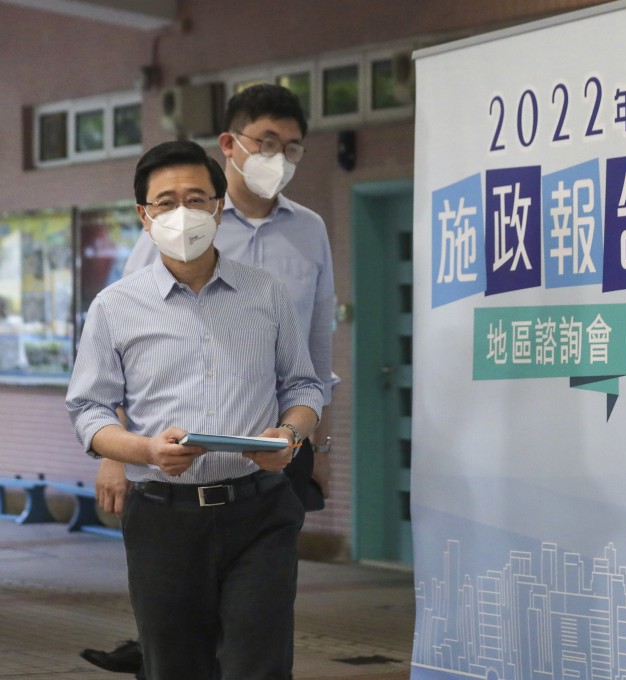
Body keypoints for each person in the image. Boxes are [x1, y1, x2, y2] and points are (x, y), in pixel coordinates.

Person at [82, 83, 338, 677]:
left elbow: (310, 370)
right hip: (164, 508)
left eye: (196, 200)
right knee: (177, 664)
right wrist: (130, 452)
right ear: (145, 216)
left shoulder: (275, 278)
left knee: (257, 661)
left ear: (216, 206)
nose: (183, 215)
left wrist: (304, 439)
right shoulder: (119, 303)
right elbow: (94, 402)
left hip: (262, 495)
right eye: (166, 202)